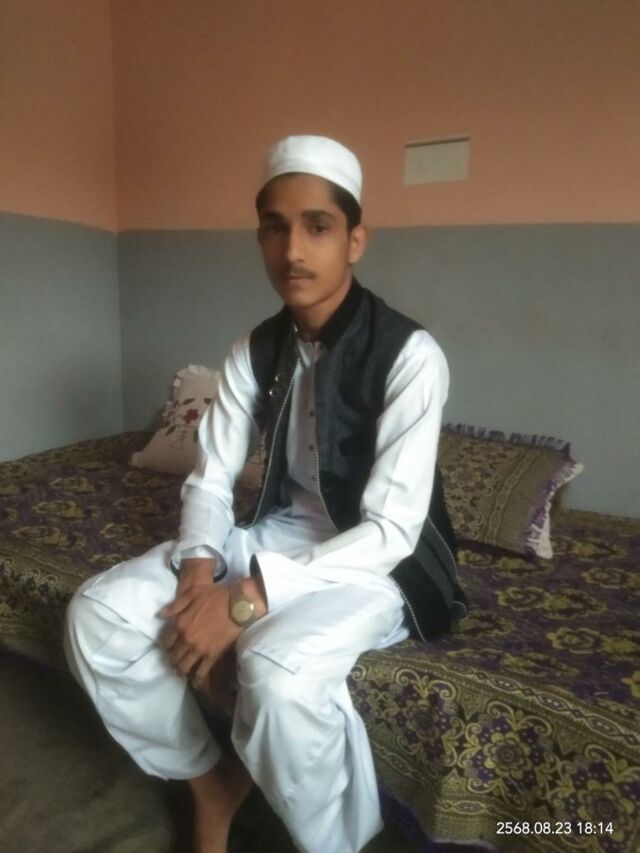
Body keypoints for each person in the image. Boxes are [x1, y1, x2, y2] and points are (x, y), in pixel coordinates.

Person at [64, 135, 467, 853]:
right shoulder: (255, 349)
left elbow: (390, 532)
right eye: (275, 227)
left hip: (377, 562)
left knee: (276, 673)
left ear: (355, 240)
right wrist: (198, 575)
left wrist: (244, 601)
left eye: (318, 226)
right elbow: (212, 477)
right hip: (280, 532)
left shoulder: (411, 355)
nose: (293, 250)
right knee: (98, 614)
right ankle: (211, 783)